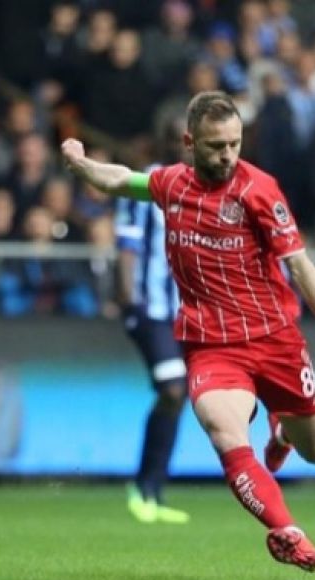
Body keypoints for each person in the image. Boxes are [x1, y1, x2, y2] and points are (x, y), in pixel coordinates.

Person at [61, 91, 315, 571]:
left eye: (234, 143)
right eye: (215, 146)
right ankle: (286, 531)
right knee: (226, 433)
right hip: (211, 345)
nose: (228, 155)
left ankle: (281, 431)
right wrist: (82, 166)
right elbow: (122, 180)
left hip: (275, 339)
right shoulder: (171, 184)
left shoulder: (260, 190)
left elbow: (299, 263)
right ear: (190, 143)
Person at [114, 175, 190, 524]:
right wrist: (129, 302)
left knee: (179, 395)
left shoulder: (203, 187)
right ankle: (143, 486)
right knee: (173, 389)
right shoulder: (144, 187)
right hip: (151, 311)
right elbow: (126, 245)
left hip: (188, 314)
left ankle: (153, 491)